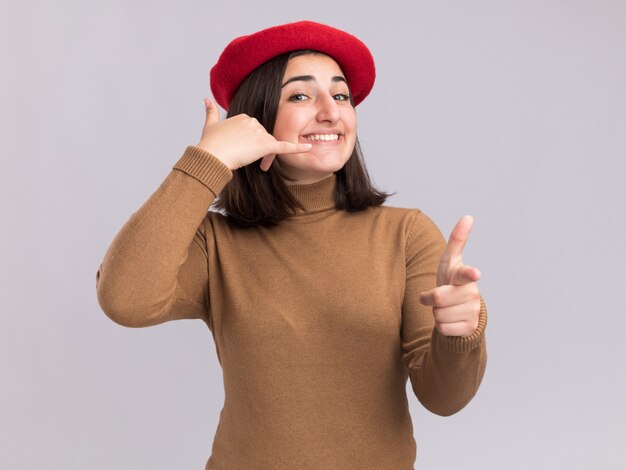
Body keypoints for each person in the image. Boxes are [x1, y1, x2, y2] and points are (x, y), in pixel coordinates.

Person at [96, 20, 488, 470]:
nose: (330, 111)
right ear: (256, 117)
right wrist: (207, 163)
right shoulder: (216, 242)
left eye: (340, 95)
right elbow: (124, 300)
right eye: (301, 95)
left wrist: (459, 334)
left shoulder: (405, 235)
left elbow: (444, 399)